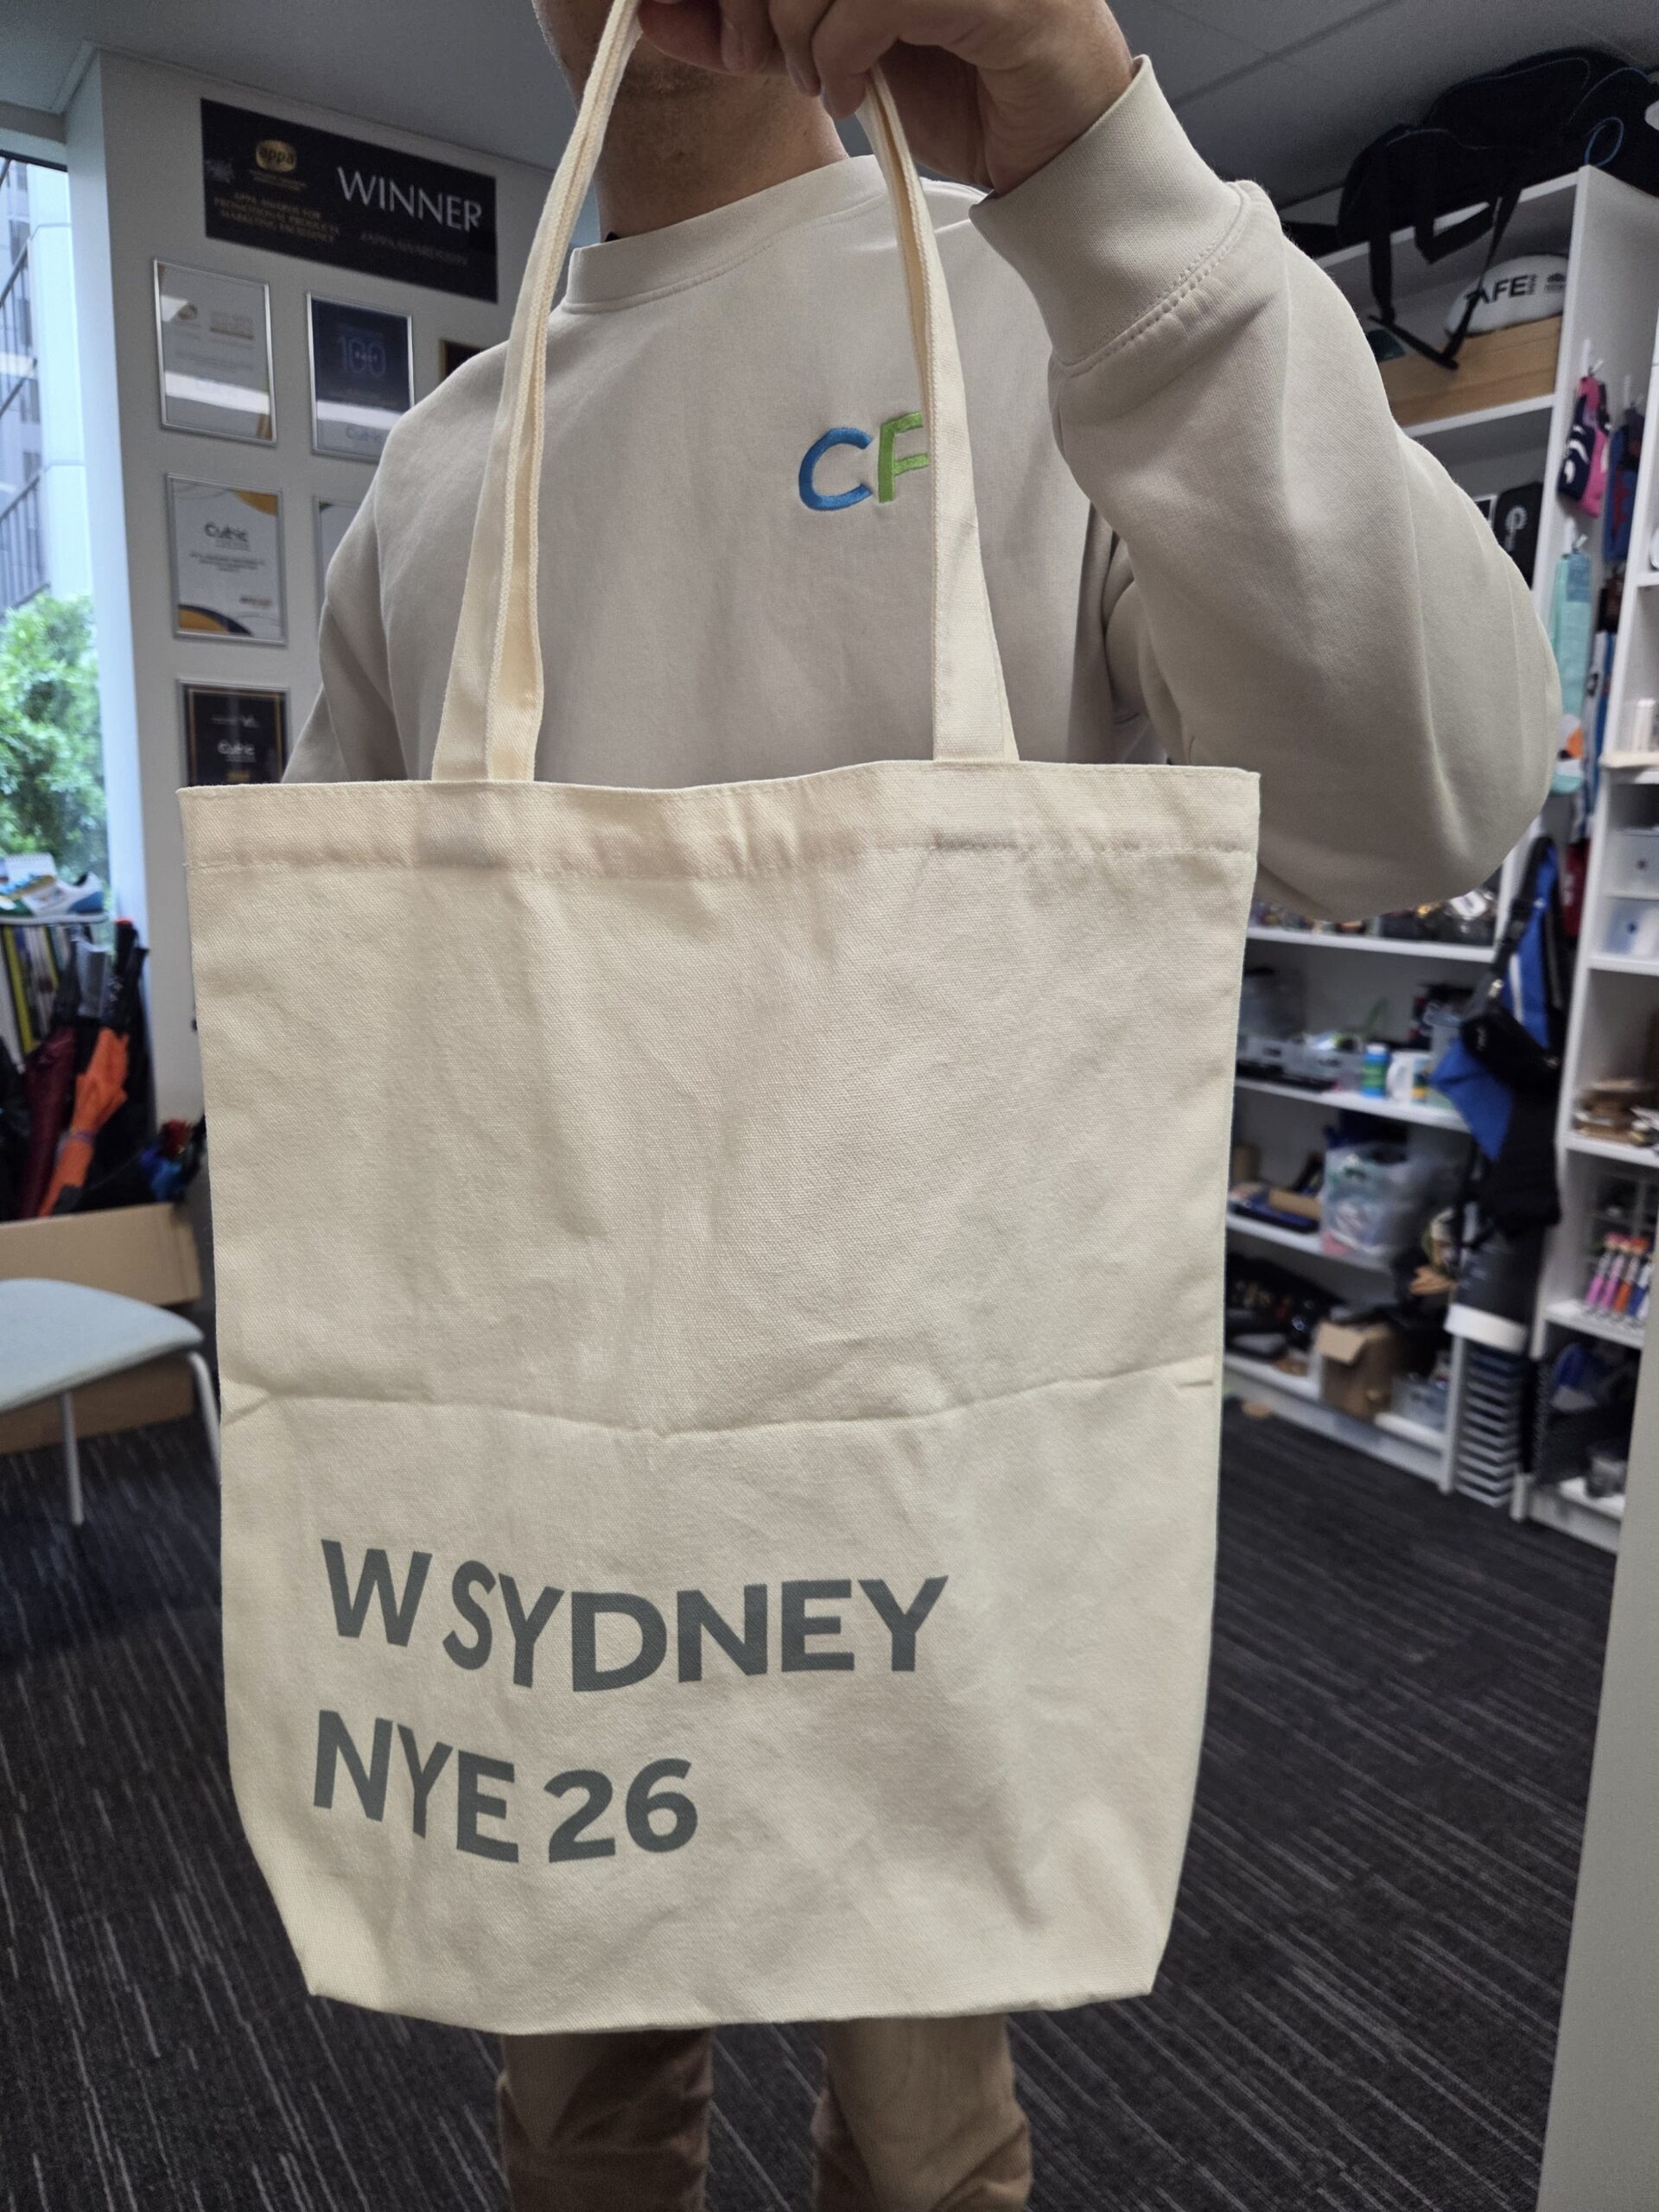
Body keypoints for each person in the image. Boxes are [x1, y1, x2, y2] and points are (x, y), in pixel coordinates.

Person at [284, 1, 1558, 2203]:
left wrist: (1091, 141)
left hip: (927, 1461)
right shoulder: (436, 471)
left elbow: (1427, 795)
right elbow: (356, 1032)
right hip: (549, 1478)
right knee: (577, 2110)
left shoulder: (1057, 317)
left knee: (924, 2130)